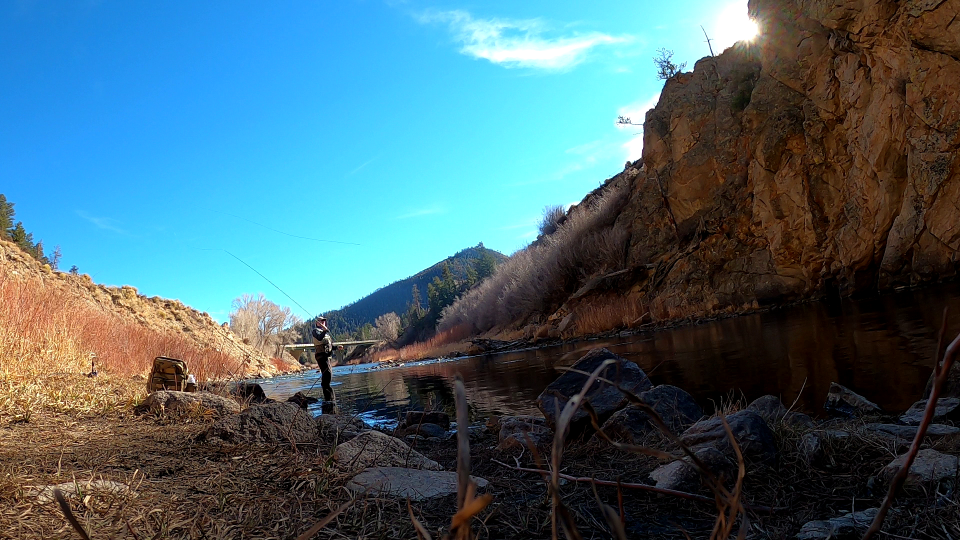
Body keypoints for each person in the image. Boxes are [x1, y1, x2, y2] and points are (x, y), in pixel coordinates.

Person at [311, 317, 336, 404]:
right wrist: (325, 330)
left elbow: (329, 345)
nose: (323, 322)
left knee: (328, 375)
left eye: (324, 321)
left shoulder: (326, 334)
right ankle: (329, 400)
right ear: (317, 323)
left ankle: (329, 399)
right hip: (321, 356)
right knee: (327, 375)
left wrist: (337, 347)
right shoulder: (315, 331)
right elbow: (319, 338)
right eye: (321, 321)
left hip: (327, 357)